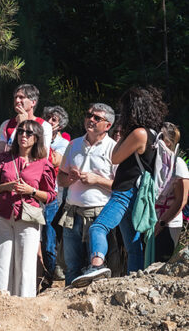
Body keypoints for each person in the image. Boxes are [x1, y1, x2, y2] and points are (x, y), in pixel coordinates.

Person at [72, 86, 168, 287]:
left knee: (98, 227)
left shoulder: (138, 133)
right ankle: (135, 280)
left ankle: (97, 266)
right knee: (132, 243)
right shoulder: (152, 133)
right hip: (135, 191)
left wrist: (123, 134)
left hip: (125, 190)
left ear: (132, 110)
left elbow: (114, 157)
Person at [0, 121, 56, 297]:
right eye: (20, 131)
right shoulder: (3, 158)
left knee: (26, 264)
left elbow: (50, 196)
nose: (23, 135)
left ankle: (24, 305)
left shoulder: (43, 164)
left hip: (28, 216)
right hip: (1, 214)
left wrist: (31, 191)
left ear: (37, 138)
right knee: (0, 262)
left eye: (28, 133)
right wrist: (6, 186)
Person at [56, 104, 117, 285]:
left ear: (108, 125)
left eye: (97, 118)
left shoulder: (114, 148)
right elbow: (60, 178)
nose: (91, 119)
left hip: (99, 214)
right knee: (72, 265)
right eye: (89, 115)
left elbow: (121, 186)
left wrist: (96, 180)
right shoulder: (73, 144)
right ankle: (67, 306)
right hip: (71, 212)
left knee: (96, 269)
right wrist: (71, 179)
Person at [41, 105, 70, 284]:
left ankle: (52, 270)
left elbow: (53, 160)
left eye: (54, 120)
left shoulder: (63, 143)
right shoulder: (39, 136)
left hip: (56, 192)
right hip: (36, 191)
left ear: (61, 125)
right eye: (48, 118)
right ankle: (45, 270)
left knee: (50, 236)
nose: (49, 122)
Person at [154, 122, 188, 262]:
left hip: (169, 222)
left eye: (159, 137)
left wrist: (162, 222)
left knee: (161, 260)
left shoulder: (178, 163)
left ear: (167, 142)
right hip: (153, 219)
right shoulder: (155, 162)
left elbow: (181, 199)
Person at [0, 84, 52, 155]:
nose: (17, 100)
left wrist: (24, 124)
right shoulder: (7, 124)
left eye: (21, 97)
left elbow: (43, 155)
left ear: (33, 102)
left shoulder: (44, 126)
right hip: (10, 164)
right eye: (15, 97)